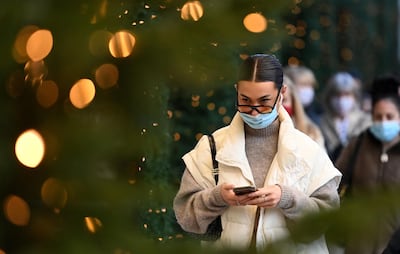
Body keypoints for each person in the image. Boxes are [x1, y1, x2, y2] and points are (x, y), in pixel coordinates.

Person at [173, 54, 342, 252]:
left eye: (264, 102)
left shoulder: (309, 150)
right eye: (245, 100)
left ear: (282, 94)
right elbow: (186, 215)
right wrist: (218, 197)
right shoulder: (212, 147)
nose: (253, 111)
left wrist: (287, 198)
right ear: (236, 92)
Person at [334, 75, 400, 253]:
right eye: (378, 117)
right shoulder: (359, 144)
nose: (384, 122)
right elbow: (334, 181)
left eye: (390, 116)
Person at [319, 71, 371, 161]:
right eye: (337, 95)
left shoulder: (366, 121)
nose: (341, 100)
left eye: (347, 94)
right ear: (329, 97)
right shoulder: (321, 123)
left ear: (355, 97)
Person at [281, 74, 325, 147]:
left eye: (284, 100)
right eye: (274, 101)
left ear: (293, 101)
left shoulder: (311, 132)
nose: (279, 106)